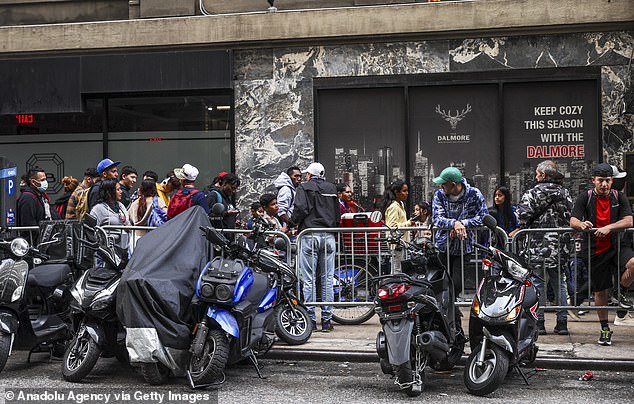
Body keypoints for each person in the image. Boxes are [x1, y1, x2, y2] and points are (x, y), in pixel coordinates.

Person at [570, 162, 634, 346]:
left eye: (607, 180)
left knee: (633, 264)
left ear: (612, 180)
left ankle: (620, 289)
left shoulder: (619, 196)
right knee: (600, 291)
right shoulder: (585, 197)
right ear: (594, 181)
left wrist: (608, 228)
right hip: (595, 249)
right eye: (600, 181)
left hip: (618, 245)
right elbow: (573, 219)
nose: (604, 184)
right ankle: (605, 328)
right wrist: (582, 225)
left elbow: (628, 220)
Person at [516, 160, 573, 335]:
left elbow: (522, 216)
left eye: (537, 174)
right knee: (560, 284)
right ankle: (562, 323)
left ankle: (539, 323)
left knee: (538, 284)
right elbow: (570, 214)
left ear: (543, 175)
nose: (535, 176)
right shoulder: (565, 193)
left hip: (537, 245)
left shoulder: (532, 193)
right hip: (560, 246)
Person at [290, 162, 340, 332]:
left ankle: (310, 319)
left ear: (310, 175)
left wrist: (292, 223)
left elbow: (300, 209)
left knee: (309, 279)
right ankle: (327, 320)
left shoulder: (304, 187)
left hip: (309, 234)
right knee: (327, 279)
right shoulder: (332, 188)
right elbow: (337, 213)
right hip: (328, 235)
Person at [431, 166, 488, 297]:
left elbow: (483, 217)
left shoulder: (474, 194)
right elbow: (437, 218)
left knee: (456, 283)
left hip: (464, 246)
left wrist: (463, 223)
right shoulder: (439, 195)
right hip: (443, 245)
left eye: (443, 184)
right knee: (440, 282)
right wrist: (453, 224)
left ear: (453, 184)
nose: (441, 187)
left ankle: (452, 311)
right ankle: (449, 313)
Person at [610, 165, 634, 326]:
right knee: (598, 285)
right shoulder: (595, 198)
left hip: (622, 243)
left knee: (630, 266)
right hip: (604, 245)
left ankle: (621, 311)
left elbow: (628, 219)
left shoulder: (621, 197)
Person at [381, 180, 416, 273]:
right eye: (404, 191)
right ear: (397, 192)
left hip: (402, 243)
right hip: (397, 245)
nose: (407, 193)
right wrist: (408, 223)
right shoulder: (394, 207)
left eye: (407, 191)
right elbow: (393, 227)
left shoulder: (400, 204)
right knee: (397, 271)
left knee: (400, 270)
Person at [89, 179, 130, 250]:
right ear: (109, 193)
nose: (121, 191)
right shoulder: (98, 209)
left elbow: (127, 223)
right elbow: (91, 231)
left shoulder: (121, 206)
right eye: (118, 190)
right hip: (107, 250)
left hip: (123, 247)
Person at [128, 179, 167, 243]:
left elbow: (129, 219)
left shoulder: (135, 203)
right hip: (154, 239)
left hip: (136, 239)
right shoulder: (158, 201)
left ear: (141, 189)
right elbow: (167, 215)